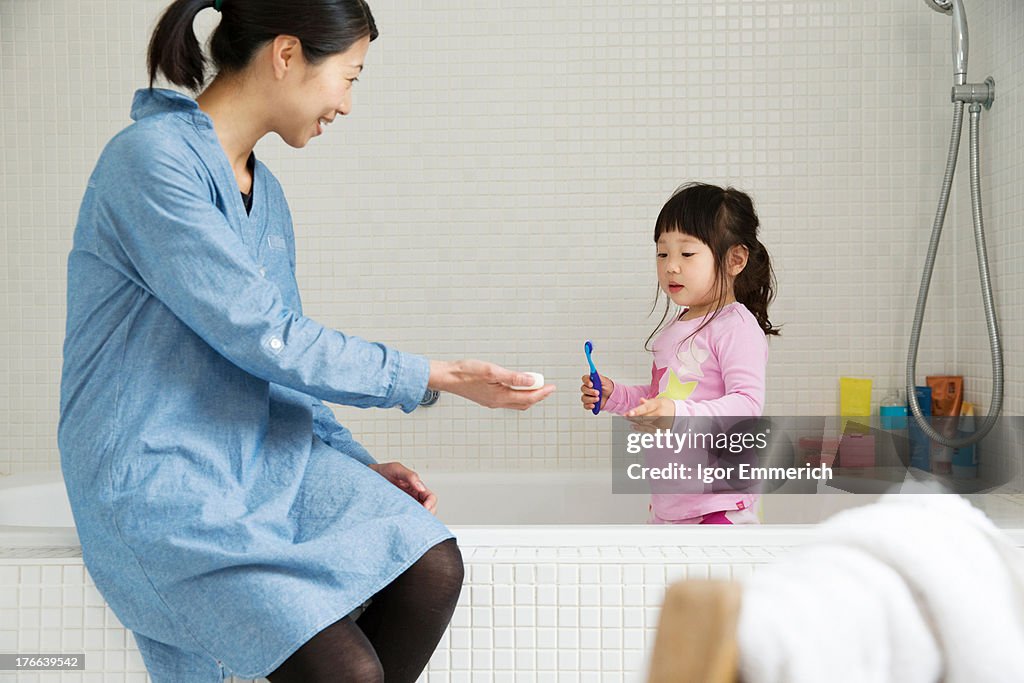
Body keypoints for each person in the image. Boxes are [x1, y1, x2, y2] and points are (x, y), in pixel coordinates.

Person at [57, 1, 554, 681]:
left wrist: (352, 461)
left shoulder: (268, 196)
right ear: (286, 55)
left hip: (259, 462)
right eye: (349, 78)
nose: (347, 105)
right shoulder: (150, 163)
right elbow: (265, 336)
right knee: (346, 670)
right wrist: (436, 375)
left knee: (430, 562)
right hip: (159, 481)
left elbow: (283, 370)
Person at [580, 182, 779, 525]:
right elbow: (663, 399)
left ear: (735, 259)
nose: (671, 266)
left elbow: (747, 404)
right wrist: (617, 396)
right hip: (672, 502)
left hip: (719, 506)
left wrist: (675, 413)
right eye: (662, 253)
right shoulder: (677, 328)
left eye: (686, 254)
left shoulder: (735, 326)